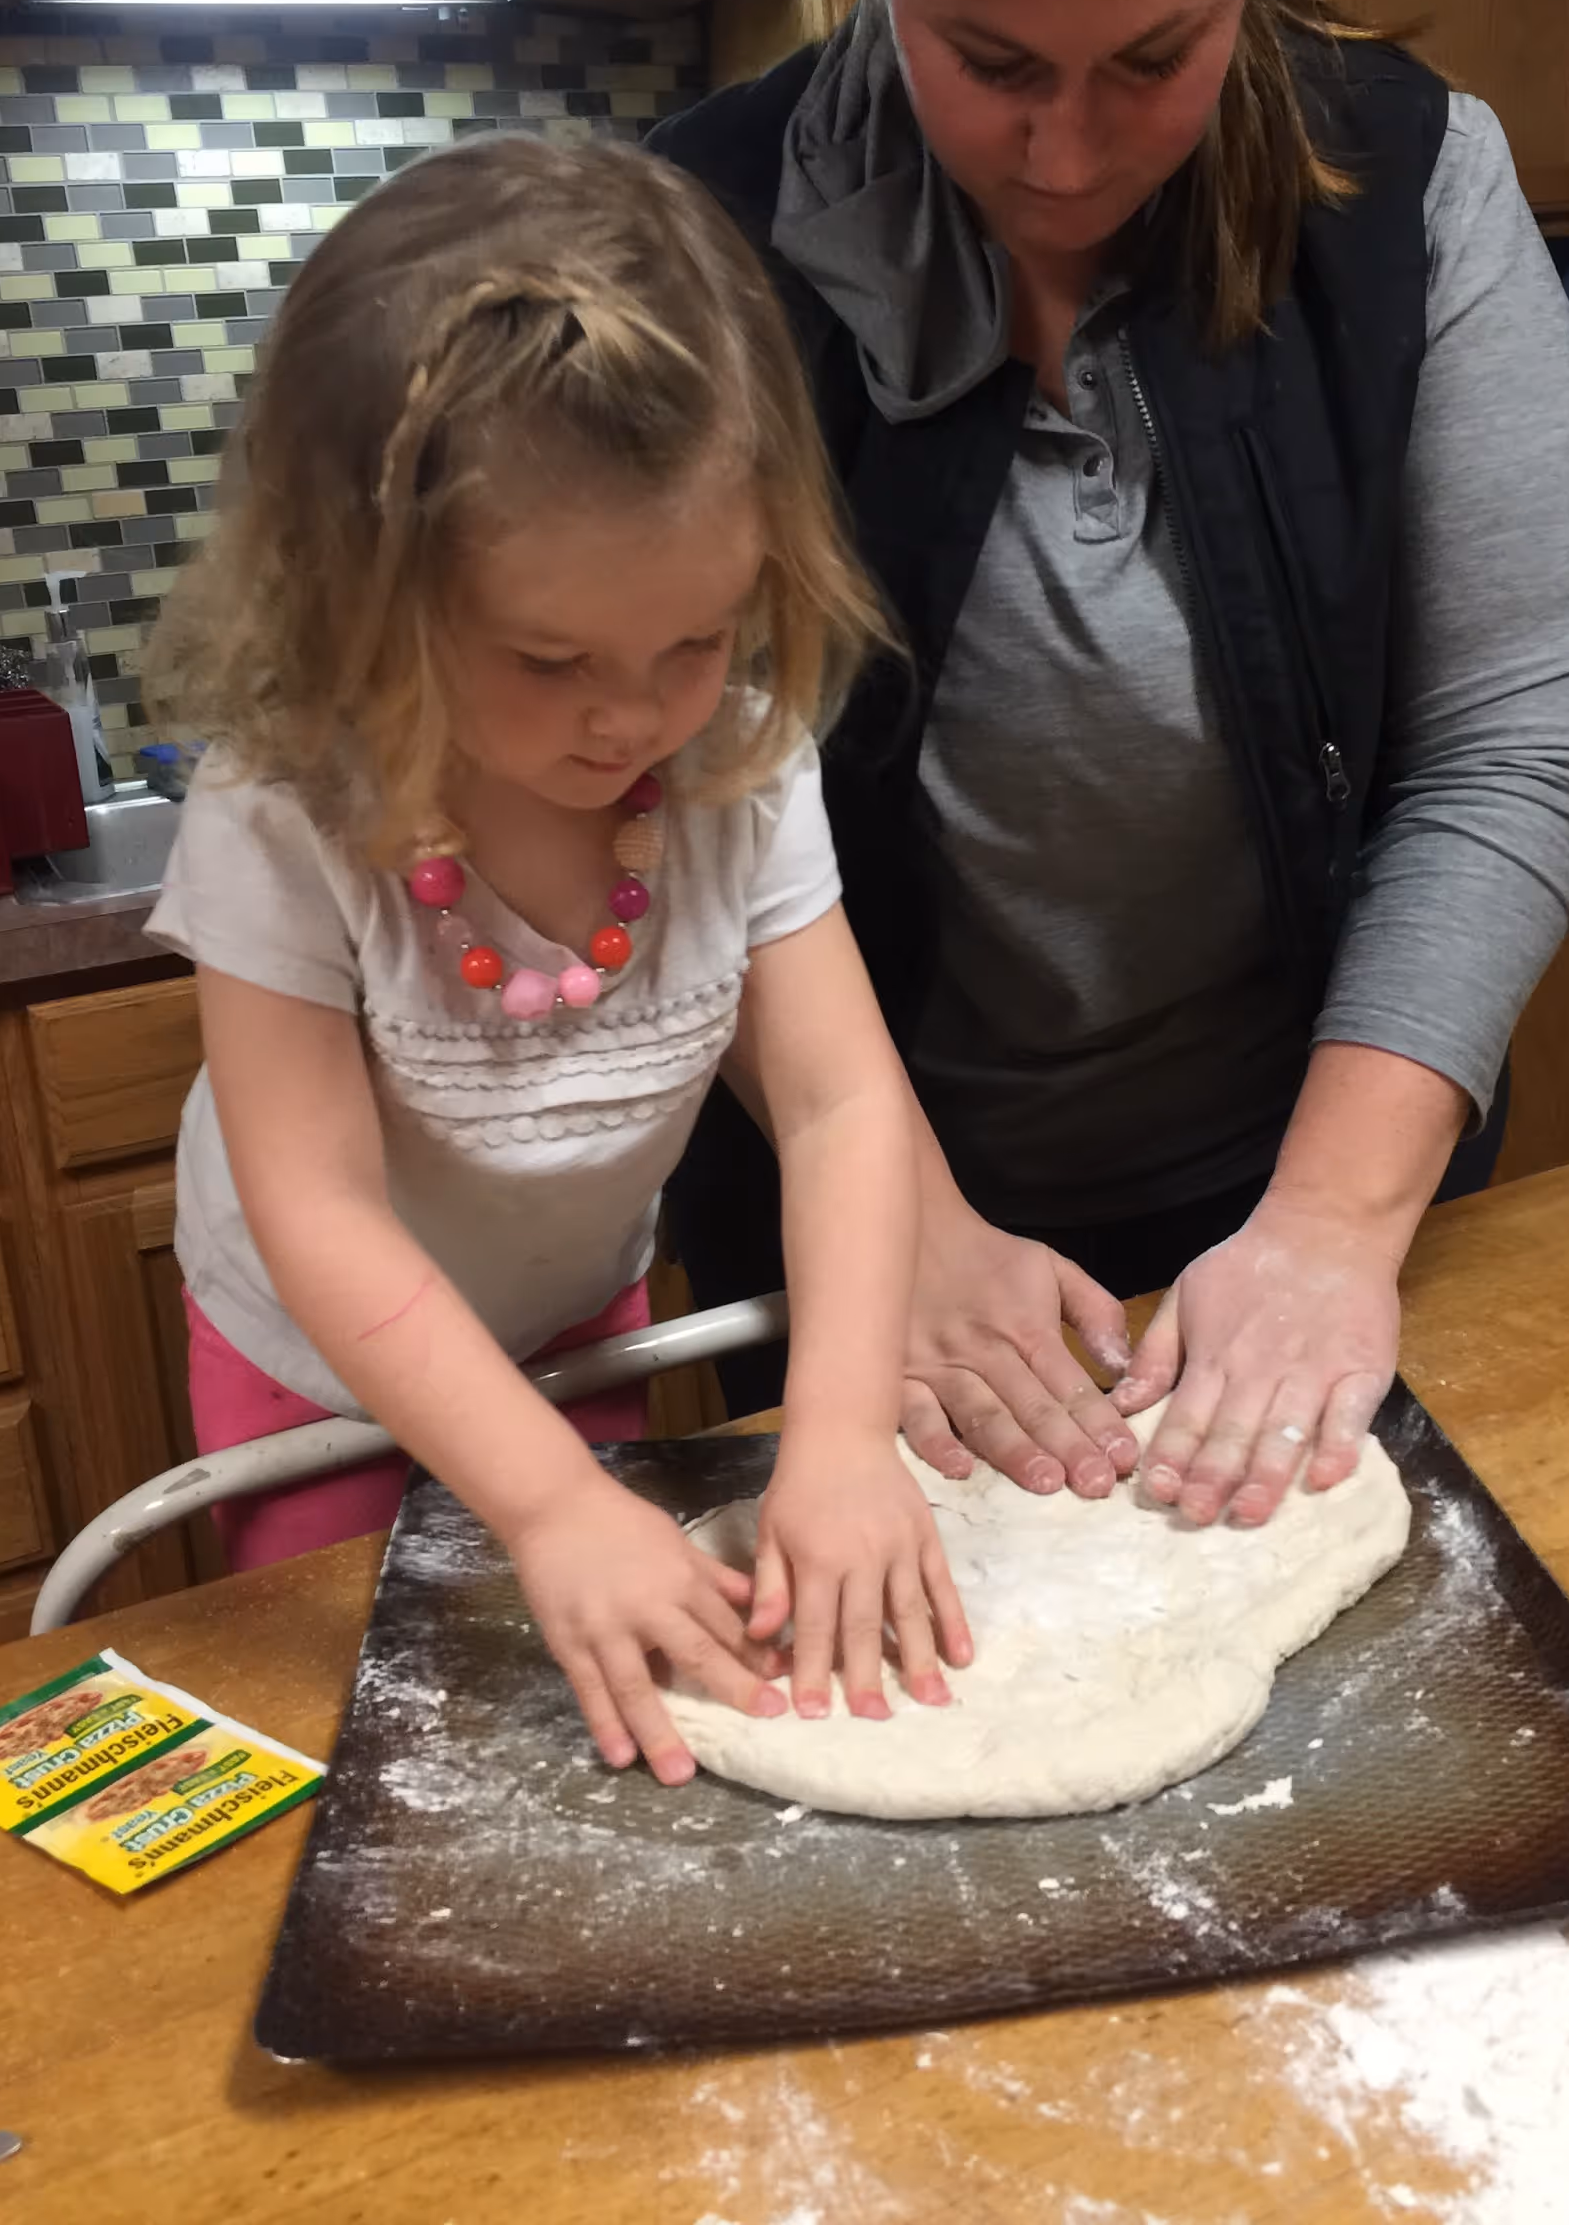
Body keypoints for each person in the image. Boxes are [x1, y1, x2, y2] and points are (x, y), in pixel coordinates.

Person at [652, 0, 1569, 1529]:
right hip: (867, 1236)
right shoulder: (698, 242)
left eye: (1154, 59)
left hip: (1304, 1196)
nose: (1069, 155)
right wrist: (899, 1223)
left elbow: (1503, 746)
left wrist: (1331, 1228)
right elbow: (676, 798)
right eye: (993, 63)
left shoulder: (1412, 183)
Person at [143, 135, 971, 1781]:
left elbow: (836, 1108)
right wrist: (542, 1501)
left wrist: (838, 1436)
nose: (632, 715)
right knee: (395, 1753)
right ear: (361, 599)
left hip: (577, 1325)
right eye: (549, 658)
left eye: (695, 639)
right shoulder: (283, 813)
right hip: (317, 1366)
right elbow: (318, 1208)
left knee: (595, 1715)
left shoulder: (732, 765)